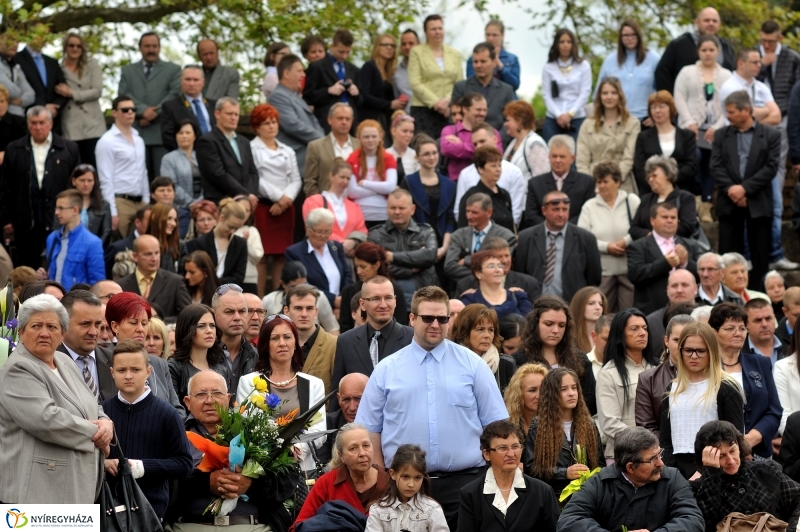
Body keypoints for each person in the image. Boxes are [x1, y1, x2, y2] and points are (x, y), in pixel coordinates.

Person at [356, 286, 509, 531]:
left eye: (442, 318)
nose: (435, 324)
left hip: (467, 485)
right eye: (428, 318)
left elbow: (497, 426)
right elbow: (369, 430)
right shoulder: (387, 369)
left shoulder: (473, 366)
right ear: (413, 319)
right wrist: (382, 478)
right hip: (404, 487)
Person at [0, 294, 113, 504]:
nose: (44, 333)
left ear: (62, 333)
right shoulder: (18, 368)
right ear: (21, 332)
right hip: (37, 493)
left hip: (76, 488)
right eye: (36, 326)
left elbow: (91, 403)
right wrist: (98, 435)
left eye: (52, 327)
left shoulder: (64, 361)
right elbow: (47, 420)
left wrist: (107, 423)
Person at [168, 370, 294, 531]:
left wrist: (251, 484)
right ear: (187, 402)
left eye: (216, 393)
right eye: (200, 394)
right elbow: (162, 482)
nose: (209, 400)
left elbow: (288, 481)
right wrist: (205, 482)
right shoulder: (173, 433)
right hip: (190, 525)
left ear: (228, 398)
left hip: (251, 525)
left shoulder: (256, 430)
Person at [102, 339, 193, 520]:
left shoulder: (167, 414)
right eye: (121, 370)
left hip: (150, 513)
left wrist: (142, 467)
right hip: (106, 511)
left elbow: (184, 464)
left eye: (135, 370)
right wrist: (102, 465)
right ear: (112, 373)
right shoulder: (101, 411)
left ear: (148, 372)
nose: (128, 376)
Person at [557, 426, 704, 532]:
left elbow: (693, 520)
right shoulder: (600, 482)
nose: (661, 463)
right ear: (630, 467)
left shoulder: (672, 479)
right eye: (653, 459)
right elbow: (569, 520)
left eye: (659, 454)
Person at [236, 314, 326, 472]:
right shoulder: (248, 382)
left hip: (302, 469)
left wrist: (295, 451)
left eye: (287, 337)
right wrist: (273, 453)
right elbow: (246, 426)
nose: (282, 343)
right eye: (275, 338)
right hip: (262, 468)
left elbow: (319, 430)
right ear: (265, 344)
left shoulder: (314, 384)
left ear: (295, 343)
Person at [713, 90, 781, 293]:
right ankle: (727, 297)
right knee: (727, 254)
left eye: (731, 111)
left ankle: (759, 297)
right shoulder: (720, 135)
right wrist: (733, 190)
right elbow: (715, 166)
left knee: (761, 255)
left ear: (746, 111)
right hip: (728, 202)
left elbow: (771, 167)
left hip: (758, 201)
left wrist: (744, 189)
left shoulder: (771, 135)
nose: (728, 115)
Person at [659, 323, 744, 479]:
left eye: (700, 351)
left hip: (715, 468)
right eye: (688, 350)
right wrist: (672, 473)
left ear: (711, 352)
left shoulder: (726, 387)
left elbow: (735, 438)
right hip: (676, 470)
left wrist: (705, 472)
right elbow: (665, 439)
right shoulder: (672, 387)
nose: (694, 356)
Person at [0, 105, 80, 269]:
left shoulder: (69, 148)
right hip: (25, 220)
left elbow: (76, 186)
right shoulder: (14, 149)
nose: (38, 127)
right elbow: (5, 186)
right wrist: (6, 218)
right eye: (33, 123)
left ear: (50, 123)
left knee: (59, 266)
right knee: (28, 269)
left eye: (42, 122)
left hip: (60, 220)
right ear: (28, 124)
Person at [691, 420, 800, 531]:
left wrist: (792, 529)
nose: (731, 461)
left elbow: (798, 497)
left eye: (732, 451)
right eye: (721, 456)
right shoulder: (698, 489)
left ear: (739, 446)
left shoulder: (766, 471)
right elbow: (705, 523)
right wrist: (711, 474)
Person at [709, 303, 782, 460]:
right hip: (720, 454)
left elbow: (774, 409)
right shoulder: (706, 368)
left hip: (758, 451)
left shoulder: (760, 363)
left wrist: (750, 440)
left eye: (742, 328)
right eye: (730, 328)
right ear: (714, 332)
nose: (738, 333)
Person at [673, 34, 733, 218]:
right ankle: (695, 199)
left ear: (718, 51)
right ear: (698, 51)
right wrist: (690, 122)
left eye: (711, 50)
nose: (707, 54)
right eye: (704, 50)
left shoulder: (726, 75)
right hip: (690, 128)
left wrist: (717, 127)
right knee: (695, 159)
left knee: (711, 163)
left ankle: (707, 203)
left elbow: (729, 103)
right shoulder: (687, 72)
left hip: (716, 129)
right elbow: (679, 97)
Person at [329, 275, 413, 401]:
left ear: (395, 301)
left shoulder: (412, 338)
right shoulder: (346, 341)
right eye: (376, 299)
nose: (383, 305)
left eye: (388, 298)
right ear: (362, 304)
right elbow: (338, 394)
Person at [524, 368, 603, 497]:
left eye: (574, 388)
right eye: (563, 389)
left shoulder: (589, 424)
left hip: (585, 496)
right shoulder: (539, 425)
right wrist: (564, 473)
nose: (571, 393)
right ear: (551, 394)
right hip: (553, 496)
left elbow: (600, 465)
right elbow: (531, 469)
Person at [292, 423, 389, 528]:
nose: (362, 453)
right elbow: (298, 527)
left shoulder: (389, 483)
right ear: (341, 456)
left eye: (366, 445)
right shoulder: (327, 483)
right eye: (353, 448)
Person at [511, 296, 596, 413]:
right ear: (535, 324)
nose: (556, 330)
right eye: (549, 324)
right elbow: (515, 401)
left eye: (561, 325)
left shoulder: (580, 359)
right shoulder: (519, 360)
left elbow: (591, 399)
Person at [514, 190, 602, 303]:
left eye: (565, 209)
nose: (561, 214)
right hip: (534, 305)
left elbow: (594, 278)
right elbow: (520, 274)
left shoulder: (586, 238)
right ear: (544, 210)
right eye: (555, 210)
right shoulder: (526, 237)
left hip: (573, 305)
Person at [597, 309, 658, 463]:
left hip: (659, 453)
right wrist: (645, 442)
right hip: (624, 456)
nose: (642, 333)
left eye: (644, 328)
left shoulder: (658, 368)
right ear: (620, 334)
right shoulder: (609, 373)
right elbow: (610, 424)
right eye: (634, 329)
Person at [250, 104, 300, 289]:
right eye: (265, 123)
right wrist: (280, 197)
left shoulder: (288, 150)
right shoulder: (252, 148)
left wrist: (286, 200)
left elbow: (295, 179)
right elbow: (256, 177)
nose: (271, 126)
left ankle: (278, 299)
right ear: (256, 126)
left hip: (286, 208)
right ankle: (259, 300)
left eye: (273, 122)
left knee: (281, 256)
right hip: (264, 206)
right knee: (261, 257)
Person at [577, 161, 639, 312]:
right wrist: (606, 247)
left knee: (628, 315)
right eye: (599, 182)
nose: (602, 186)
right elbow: (583, 238)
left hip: (629, 270)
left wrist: (626, 241)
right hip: (603, 273)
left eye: (606, 181)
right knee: (603, 315)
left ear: (617, 182)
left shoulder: (632, 201)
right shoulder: (589, 206)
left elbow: (641, 228)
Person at [118, 32, 181, 178]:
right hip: (135, 131)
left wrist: (154, 112)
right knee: (137, 177)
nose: (151, 50)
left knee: (162, 178)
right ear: (140, 48)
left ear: (159, 48)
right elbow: (123, 95)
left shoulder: (173, 70)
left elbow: (174, 94)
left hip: (161, 133)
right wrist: (142, 111)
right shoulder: (127, 71)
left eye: (154, 46)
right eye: (147, 46)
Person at [367, 189, 437, 305]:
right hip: (386, 298)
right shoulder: (375, 235)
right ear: (387, 208)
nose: (397, 212)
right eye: (393, 208)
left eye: (402, 208)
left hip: (424, 295)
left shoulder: (425, 232)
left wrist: (393, 257)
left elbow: (430, 255)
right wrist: (411, 269)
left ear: (412, 209)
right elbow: (376, 267)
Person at [627, 202, 699, 314]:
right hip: (651, 310)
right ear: (652, 220)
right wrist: (664, 263)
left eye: (673, 217)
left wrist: (685, 263)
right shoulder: (638, 246)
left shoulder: (690, 245)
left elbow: (701, 276)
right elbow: (635, 274)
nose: (669, 220)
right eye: (665, 217)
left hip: (688, 310)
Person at [95, 94, 149, 237]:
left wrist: (147, 202)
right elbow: (105, 178)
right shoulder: (106, 141)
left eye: (133, 109)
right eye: (125, 110)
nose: (130, 112)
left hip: (141, 202)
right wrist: (112, 211)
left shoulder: (139, 140)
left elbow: (143, 173)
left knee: (144, 245)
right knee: (125, 247)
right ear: (114, 113)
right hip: (120, 202)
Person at [577, 76, 641, 194]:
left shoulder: (632, 123)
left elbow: (628, 159)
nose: (609, 97)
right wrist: (592, 183)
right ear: (599, 96)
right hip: (594, 183)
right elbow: (582, 162)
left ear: (620, 95)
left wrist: (613, 182)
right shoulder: (587, 124)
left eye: (613, 93)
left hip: (621, 183)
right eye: (605, 93)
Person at [364, 444, 448, 532]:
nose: (411, 484)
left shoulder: (432, 509)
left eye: (417, 478)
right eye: (405, 477)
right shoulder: (378, 509)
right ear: (393, 474)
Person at [454, 123, 526, 224]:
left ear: (495, 139)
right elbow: (460, 213)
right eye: (475, 144)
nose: (478, 146)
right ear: (480, 169)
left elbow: (515, 214)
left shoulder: (514, 172)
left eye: (482, 141)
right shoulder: (465, 174)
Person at [636, 314, 695, 437]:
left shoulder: (713, 375)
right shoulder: (648, 379)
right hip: (664, 452)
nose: (682, 346)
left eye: (688, 340)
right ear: (666, 341)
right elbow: (646, 428)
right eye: (677, 340)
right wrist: (668, 450)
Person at [267, 54, 325, 176]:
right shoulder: (277, 97)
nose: (303, 75)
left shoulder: (297, 97)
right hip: (296, 165)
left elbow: (314, 122)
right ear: (287, 74)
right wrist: (324, 142)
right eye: (299, 71)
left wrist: (324, 140)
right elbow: (293, 125)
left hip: (311, 162)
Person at [407, 14, 463, 139]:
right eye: (433, 29)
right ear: (426, 32)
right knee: (426, 148)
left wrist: (448, 101)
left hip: (449, 110)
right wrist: (436, 103)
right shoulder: (416, 52)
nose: (438, 32)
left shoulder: (455, 53)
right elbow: (414, 82)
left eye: (440, 28)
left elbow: (459, 82)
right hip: (423, 110)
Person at [655, 6, 735, 93]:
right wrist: (671, 100)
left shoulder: (726, 47)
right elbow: (662, 73)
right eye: (706, 20)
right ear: (697, 22)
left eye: (714, 21)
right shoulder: (679, 44)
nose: (711, 23)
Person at [522, 135, 596, 229]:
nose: (557, 160)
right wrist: (550, 228)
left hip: (575, 236)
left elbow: (587, 213)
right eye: (554, 156)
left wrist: (565, 229)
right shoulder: (535, 184)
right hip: (544, 237)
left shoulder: (586, 182)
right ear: (549, 157)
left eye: (562, 156)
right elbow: (530, 216)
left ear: (572, 158)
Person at [286, 208, 353, 311]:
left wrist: (342, 300)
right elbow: (300, 284)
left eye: (327, 231)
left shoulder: (336, 247)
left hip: (341, 307)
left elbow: (347, 275)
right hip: (313, 308)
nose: (323, 236)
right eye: (319, 231)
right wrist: (333, 300)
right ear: (308, 229)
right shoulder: (294, 253)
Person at [195, 97, 259, 204]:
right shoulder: (207, 141)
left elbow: (252, 171)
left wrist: (251, 195)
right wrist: (245, 195)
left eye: (236, 114)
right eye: (229, 114)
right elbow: (218, 174)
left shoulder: (244, 141)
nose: (233, 118)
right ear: (217, 114)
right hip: (222, 203)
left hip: (246, 204)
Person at [633, 91, 698, 195]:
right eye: (653, 107)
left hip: (681, 191)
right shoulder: (643, 137)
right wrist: (656, 183)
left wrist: (668, 182)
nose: (657, 111)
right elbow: (639, 167)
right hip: (651, 192)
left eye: (662, 106)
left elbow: (691, 165)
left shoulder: (687, 136)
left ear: (671, 109)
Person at [595, 19, 660, 123]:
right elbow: (598, 93)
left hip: (645, 120)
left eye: (633, 34)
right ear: (620, 38)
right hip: (617, 120)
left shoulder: (654, 59)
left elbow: (662, 93)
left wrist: (655, 117)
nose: (630, 38)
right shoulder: (610, 61)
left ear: (639, 36)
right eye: (625, 35)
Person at [169, 303, 232, 409]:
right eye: (201, 326)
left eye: (212, 325)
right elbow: (174, 409)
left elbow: (227, 408)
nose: (209, 331)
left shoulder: (222, 369)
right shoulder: (173, 368)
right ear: (186, 330)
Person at [445, 193, 516, 286]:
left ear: (489, 212)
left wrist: (466, 260)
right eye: (467, 211)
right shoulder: (458, 235)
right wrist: (481, 275)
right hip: (463, 289)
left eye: (474, 212)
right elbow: (449, 267)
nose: (469, 216)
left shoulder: (506, 236)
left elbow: (502, 265)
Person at [57, 33, 106, 166]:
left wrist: (72, 93)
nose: (75, 49)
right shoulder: (59, 68)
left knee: (93, 165)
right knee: (75, 166)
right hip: (71, 123)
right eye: (71, 45)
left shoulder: (92, 65)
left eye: (78, 46)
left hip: (92, 123)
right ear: (65, 48)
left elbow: (97, 90)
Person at [59, 289, 116, 401]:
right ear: (63, 323)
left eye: (97, 324)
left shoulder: (114, 361)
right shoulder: (49, 363)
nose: (94, 332)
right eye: (85, 324)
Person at [400, 135, 455, 252]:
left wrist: (444, 248)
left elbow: (450, 218)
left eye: (434, 153)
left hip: (443, 242)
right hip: (415, 243)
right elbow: (408, 216)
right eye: (426, 154)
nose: (431, 157)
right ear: (417, 158)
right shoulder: (409, 182)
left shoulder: (449, 184)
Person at [338, 242, 408, 333]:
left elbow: (401, 324)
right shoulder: (348, 292)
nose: (358, 271)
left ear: (376, 265)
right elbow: (345, 327)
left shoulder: (395, 290)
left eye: (363, 267)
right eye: (357, 267)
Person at [117, 235, 192, 318]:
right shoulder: (121, 285)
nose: (154, 258)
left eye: (157, 253)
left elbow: (188, 318)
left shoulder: (175, 282)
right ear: (135, 257)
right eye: (148, 254)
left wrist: (160, 322)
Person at [43, 189, 104, 290]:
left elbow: (97, 285)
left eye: (61, 208)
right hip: (53, 301)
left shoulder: (93, 243)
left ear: (75, 210)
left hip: (76, 303)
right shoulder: (52, 238)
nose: (56, 212)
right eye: (56, 208)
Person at [303, 28, 363, 132]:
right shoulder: (317, 67)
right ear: (332, 46)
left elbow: (361, 102)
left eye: (347, 52)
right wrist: (328, 91)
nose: (344, 56)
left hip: (350, 125)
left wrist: (356, 93)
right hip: (327, 124)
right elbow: (308, 97)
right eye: (341, 52)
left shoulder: (353, 69)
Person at [282, 285, 338, 394]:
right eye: (298, 308)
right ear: (286, 311)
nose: (304, 314)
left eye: (309, 308)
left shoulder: (334, 345)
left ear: (316, 312)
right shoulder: (277, 344)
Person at [629, 154, 698, 240]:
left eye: (654, 175)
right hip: (648, 249)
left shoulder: (685, 198)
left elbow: (688, 227)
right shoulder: (646, 199)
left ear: (668, 175)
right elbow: (634, 229)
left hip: (676, 248)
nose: (650, 180)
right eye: (648, 177)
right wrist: (651, 236)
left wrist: (660, 236)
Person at [451, 43, 515, 134]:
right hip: (465, 142)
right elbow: (454, 118)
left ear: (494, 63)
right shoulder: (461, 87)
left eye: (483, 61)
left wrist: (496, 140)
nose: (478, 65)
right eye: (475, 62)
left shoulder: (506, 90)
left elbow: (510, 122)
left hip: (497, 143)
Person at [451, 303, 516, 391]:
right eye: (480, 329)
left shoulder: (506, 364)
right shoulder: (450, 362)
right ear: (464, 332)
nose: (487, 335)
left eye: (491, 330)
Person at [452, 236, 539, 301]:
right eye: (499, 257)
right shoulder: (465, 285)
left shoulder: (529, 284)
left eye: (507, 255)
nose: (505, 261)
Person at [262, 261, 339, 335]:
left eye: (304, 284)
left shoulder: (319, 297)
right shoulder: (269, 300)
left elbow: (332, 329)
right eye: (294, 286)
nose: (300, 289)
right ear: (283, 284)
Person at [541, 28, 591, 142]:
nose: (565, 45)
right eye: (562, 42)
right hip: (554, 117)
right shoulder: (549, 67)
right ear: (556, 44)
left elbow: (585, 93)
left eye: (569, 42)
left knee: (576, 154)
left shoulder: (583, 66)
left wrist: (570, 114)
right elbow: (546, 95)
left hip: (576, 116)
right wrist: (559, 115)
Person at [303, 158, 367, 244]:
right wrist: (341, 243)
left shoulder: (354, 207)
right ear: (331, 176)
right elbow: (313, 227)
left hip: (348, 254)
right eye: (342, 177)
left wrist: (352, 242)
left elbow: (362, 230)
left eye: (348, 178)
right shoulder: (313, 201)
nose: (345, 181)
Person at [347, 120, 398, 226]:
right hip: (359, 215)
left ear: (380, 137)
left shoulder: (388, 158)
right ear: (358, 138)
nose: (370, 140)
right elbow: (352, 192)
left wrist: (365, 183)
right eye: (366, 137)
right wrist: (380, 190)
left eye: (374, 136)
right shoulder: (352, 159)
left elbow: (390, 187)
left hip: (384, 214)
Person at [441, 93, 502, 181]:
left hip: (486, 182)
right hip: (456, 183)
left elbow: (497, 154)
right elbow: (446, 149)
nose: (482, 113)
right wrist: (484, 148)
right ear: (465, 109)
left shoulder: (493, 132)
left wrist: (461, 145)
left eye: (484, 110)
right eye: (478, 110)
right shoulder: (450, 130)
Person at [302, 103, 358, 197]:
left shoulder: (360, 145)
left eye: (347, 119)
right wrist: (319, 204)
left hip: (354, 205)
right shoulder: (316, 146)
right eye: (340, 118)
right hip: (326, 205)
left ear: (352, 121)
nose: (344, 122)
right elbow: (310, 181)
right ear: (329, 120)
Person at [191, 197, 248, 287]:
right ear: (221, 218)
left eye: (236, 229)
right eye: (230, 226)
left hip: (230, 294)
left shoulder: (240, 244)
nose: (233, 231)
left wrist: (214, 281)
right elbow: (199, 274)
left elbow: (239, 278)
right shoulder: (201, 242)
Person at [457, 145, 516, 231]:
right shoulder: (472, 195)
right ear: (481, 169)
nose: (498, 169)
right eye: (493, 166)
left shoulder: (504, 194)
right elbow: (463, 227)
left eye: (499, 165)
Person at [160, 120, 203, 238]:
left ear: (194, 135)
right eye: (180, 133)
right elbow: (171, 185)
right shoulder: (169, 159)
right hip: (179, 209)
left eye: (188, 132)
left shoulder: (202, 156)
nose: (184, 136)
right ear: (175, 136)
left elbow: (209, 181)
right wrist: (191, 203)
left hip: (203, 207)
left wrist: (200, 202)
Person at [212, 283, 258, 390]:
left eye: (242, 311)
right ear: (213, 314)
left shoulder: (257, 355)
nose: (237, 317)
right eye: (229, 312)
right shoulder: (202, 354)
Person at [461, 251, 532, 320]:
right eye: (491, 266)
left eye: (500, 266)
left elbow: (528, 325)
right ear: (478, 273)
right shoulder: (469, 300)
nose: (498, 270)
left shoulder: (519, 296)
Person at [160, 65, 216, 152]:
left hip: (214, 155)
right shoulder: (170, 107)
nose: (191, 84)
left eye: (196, 80)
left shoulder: (214, 105)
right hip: (187, 157)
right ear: (181, 81)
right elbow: (168, 139)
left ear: (203, 82)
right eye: (188, 79)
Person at [15, 39, 66, 129]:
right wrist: (43, 106)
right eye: (39, 34)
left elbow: (62, 88)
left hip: (54, 120)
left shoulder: (52, 62)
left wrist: (56, 107)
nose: (43, 38)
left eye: (45, 35)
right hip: (27, 120)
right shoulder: (16, 59)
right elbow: (17, 89)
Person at [358, 34, 403, 133]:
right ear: (377, 47)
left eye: (392, 45)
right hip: (371, 118)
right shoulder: (369, 67)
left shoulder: (390, 71)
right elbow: (365, 95)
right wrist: (389, 104)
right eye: (385, 45)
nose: (389, 48)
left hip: (387, 119)